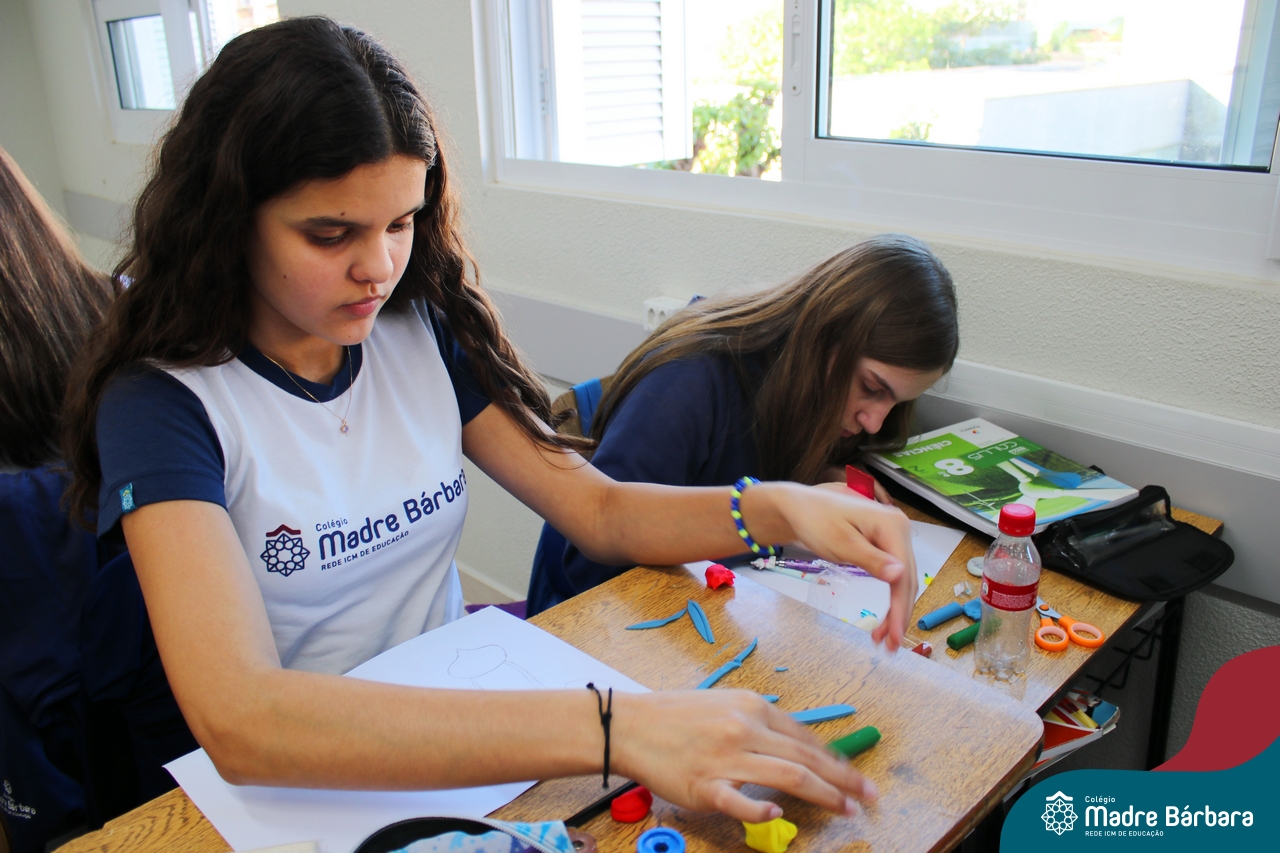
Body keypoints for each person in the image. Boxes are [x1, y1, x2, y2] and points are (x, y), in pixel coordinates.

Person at [63, 17, 917, 822]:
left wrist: (775, 507)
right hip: (301, 786)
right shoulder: (162, 405)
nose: (379, 266)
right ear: (227, 220)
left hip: (460, 742)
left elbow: (598, 507)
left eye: (401, 222)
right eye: (329, 235)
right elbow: (244, 718)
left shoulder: (418, 329)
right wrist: (617, 727)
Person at [528, 235, 959, 617]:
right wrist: (782, 519)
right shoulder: (689, 382)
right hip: (589, 623)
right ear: (823, 334)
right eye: (871, 388)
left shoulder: (802, 383)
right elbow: (592, 567)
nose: (874, 422)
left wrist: (817, 474)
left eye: (898, 402)